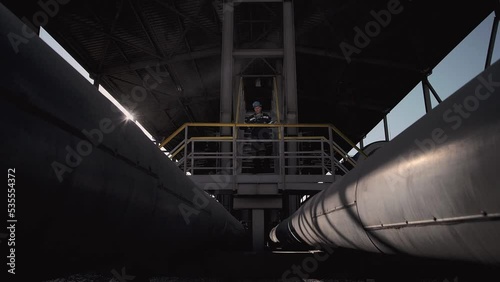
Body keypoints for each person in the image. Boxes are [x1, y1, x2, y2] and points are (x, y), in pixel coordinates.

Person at [245, 101, 273, 173]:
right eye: (255, 108)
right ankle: (257, 168)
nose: (257, 109)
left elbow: (273, 123)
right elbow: (244, 126)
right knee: (255, 153)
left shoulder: (266, 116)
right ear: (254, 109)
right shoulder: (251, 118)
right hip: (255, 137)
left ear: (261, 108)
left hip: (265, 136)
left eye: (258, 107)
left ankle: (266, 167)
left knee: (269, 149)